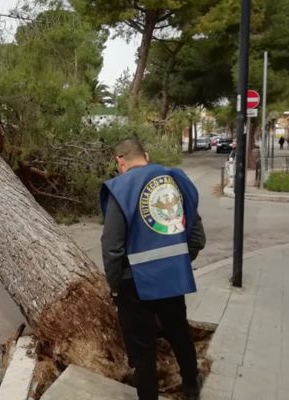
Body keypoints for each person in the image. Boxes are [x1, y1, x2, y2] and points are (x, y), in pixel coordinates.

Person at [100, 138, 206, 400]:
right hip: (172, 278)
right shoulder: (176, 179)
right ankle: (191, 387)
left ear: (120, 161)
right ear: (145, 156)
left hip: (132, 283)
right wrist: (177, 262)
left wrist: (114, 286)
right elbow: (196, 238)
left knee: (142, 350)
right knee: (179, 333)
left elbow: (112, 247)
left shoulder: (120, 188)